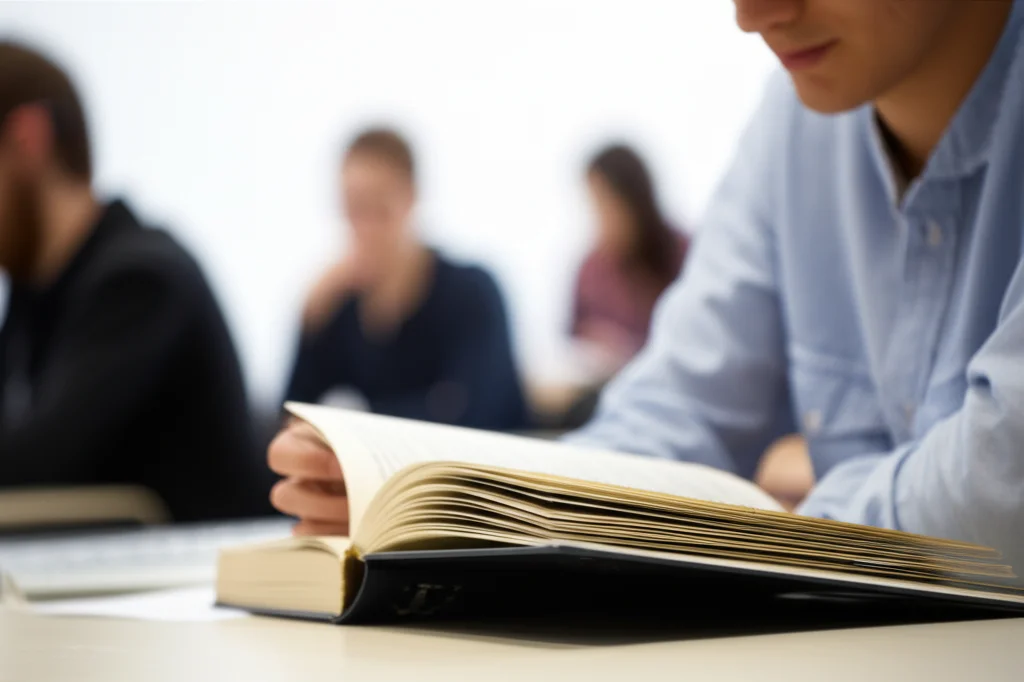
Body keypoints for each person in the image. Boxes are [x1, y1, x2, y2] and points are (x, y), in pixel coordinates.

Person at [267, 0, 1024, 577]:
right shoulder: (793, 124)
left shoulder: (470, 290)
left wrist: (754, 535)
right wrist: (438, 494)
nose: (749, 14)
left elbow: (1002, 492)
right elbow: (676, 412)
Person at [0, 41, 272, 522]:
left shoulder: (142, 281)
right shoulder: (34, 297)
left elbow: (36, 462)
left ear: (27, 138)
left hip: (191, 580)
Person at [284, 127, 528, 432]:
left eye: (380, 209)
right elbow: (291, 420)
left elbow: (477, 412)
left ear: (410, 197)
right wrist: (307, 324)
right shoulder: (336, 307)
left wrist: (353, 423)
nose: (366, 227)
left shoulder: (473, 293)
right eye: (354, 208)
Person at [573, 144, 689, 373]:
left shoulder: (685, 255)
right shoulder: (591, 269)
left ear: (634, 200)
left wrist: (627, 349)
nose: (600, 218)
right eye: (593, 205)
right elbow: (572, 340)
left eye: (606, 203)